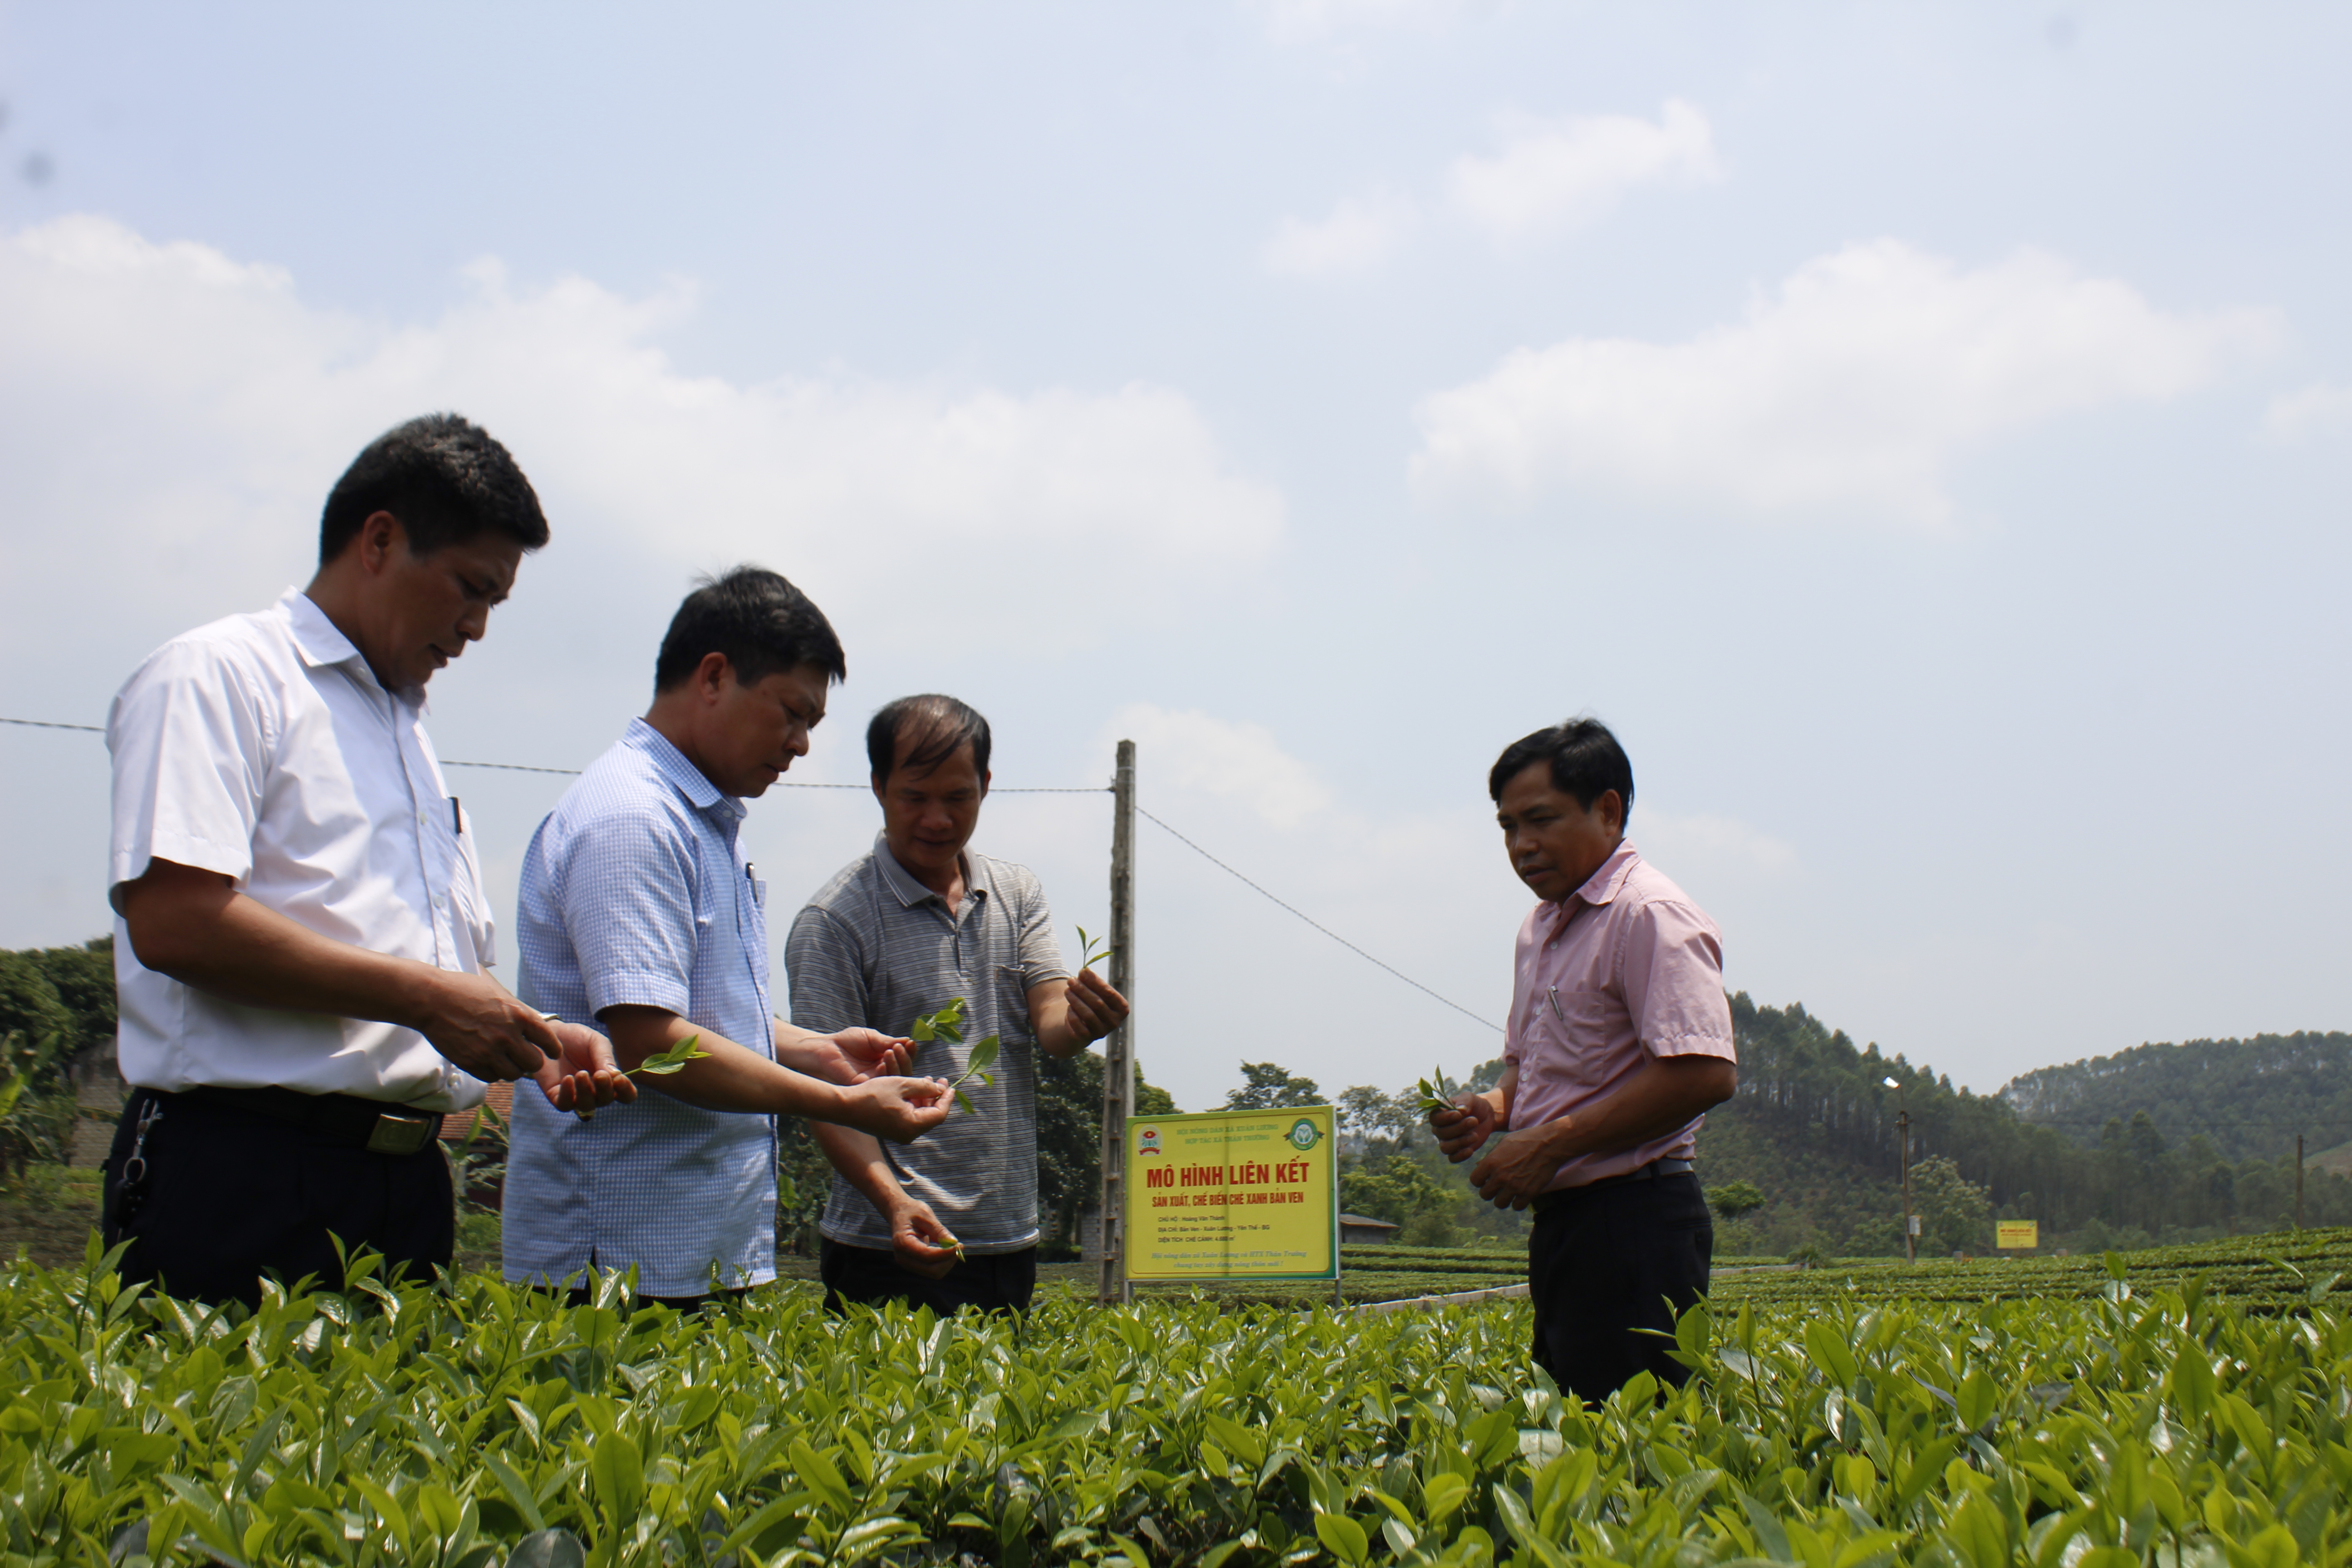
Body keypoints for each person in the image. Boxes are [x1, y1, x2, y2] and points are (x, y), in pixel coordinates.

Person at [103, 414, 630, 1309]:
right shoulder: (221, 677)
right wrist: (429, 999)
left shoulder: (404, 731)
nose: (477, 627)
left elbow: (403, 959)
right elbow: (175, 920)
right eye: (470, 588)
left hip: (403, 1187)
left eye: (496, 603)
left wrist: (527, 1037)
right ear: (379, 539)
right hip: (242, 1171)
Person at [500, 568, 953, 1308]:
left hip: (689, 1252)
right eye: (792, 713)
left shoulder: (700, 823)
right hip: (619, 1266)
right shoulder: (634, 820)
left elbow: (684, 1011)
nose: (802, 744)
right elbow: (651, 1041)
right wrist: (845, 1103)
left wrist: (813, 1048)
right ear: (714, 676)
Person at [789, 694, 1130, 1315]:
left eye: (957, 798)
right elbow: (828, 1101)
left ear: (986, 787)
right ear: (878, 787)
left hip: (1007, 1237)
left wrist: (1082, 1024)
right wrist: (894, 1206)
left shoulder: (1015, 892)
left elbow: (1050, 1021)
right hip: (887, 1244)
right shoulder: (834, 921)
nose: (938, 819)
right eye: (914, 797)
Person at [1431, 718, 1738, 1402]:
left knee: (1632, 1453)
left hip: (1637, 1222)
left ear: (1608, 810)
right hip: (1569, 1224)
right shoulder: (1542, 928)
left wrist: (1551, 1142)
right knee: (1576, 1433)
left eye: (1540, 820)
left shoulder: (1649, 914)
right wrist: (1492, 1110)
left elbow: (1705, 1072)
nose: (1521, 845)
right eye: (1508, 827)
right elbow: (1529, 1068)